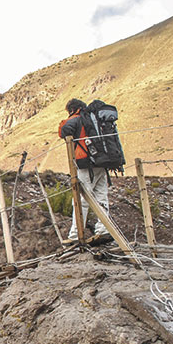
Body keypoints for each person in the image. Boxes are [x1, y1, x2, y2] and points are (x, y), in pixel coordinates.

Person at [59, 98, 111, 242]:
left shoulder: (78, 118)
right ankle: (104, 229)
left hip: (87, 164)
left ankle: (75, 236)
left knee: (81, 199)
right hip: (103, 162)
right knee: (101, 197)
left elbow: (64, 131)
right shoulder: (97, 119)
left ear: (72, 109)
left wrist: (70, 119)